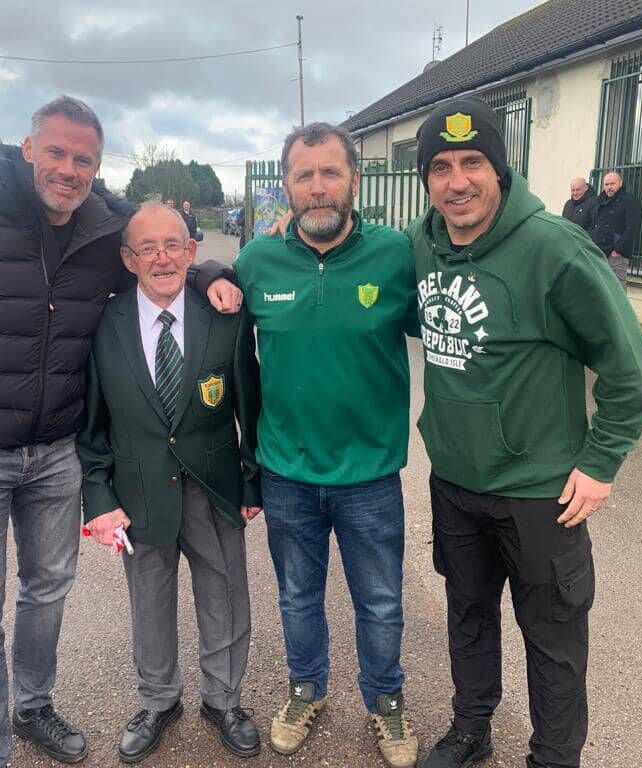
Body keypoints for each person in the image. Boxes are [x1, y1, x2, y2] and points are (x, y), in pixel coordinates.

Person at [0, 95, 240, 768]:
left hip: (53, 454)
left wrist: (214, 271)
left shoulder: (103, 223)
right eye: (58, 154)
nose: (69, 170)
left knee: (46, 592)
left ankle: (34, 707)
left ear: (96, 166)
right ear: (28, 149)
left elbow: (165, 244)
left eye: (84, 159)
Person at [408, 97, 642, 768]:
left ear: (499, 168)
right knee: (468, 617)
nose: (458, 181)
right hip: (456, 482)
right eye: (441, 167)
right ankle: (471, 729)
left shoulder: (555, 246)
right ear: (426, 178)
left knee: (552, 638)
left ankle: (553, 756)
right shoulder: (420, 246)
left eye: (473, 162)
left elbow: (630, 367)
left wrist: (602, 462)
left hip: (540, 494)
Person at [233, 123, 420, 768]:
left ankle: (386, 702)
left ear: (354, 182)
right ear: (285, 185)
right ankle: (306, 689)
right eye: (304, 175)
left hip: (370, 474)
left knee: (381, 600)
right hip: (286, 473)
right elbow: (220, 328)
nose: (317, 188)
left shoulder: (396, 255)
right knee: (296, 597)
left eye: (330, 173)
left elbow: (453, 327)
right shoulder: (258, 262)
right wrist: (207, 272)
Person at [78, 202, 262, 763]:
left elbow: (249, 405)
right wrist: (100, 498)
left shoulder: (226, 316)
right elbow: (91, 425)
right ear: (128, 259)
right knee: (150, 603)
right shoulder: (102, 325)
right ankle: (159, 700)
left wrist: (252, 483)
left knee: (225, 595)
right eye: (147, 248)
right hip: (138, 496)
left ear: (191, 251)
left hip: (214, 485)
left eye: (173, 245)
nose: (162, 257)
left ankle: (223, 699)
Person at [588, 171, 642, 288]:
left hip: (616, 255)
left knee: (617, 289)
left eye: (612, 184)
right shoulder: (599, 201)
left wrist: (617, 250)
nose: (609, 187)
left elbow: (632, 227)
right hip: (598, 252)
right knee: (600, 289)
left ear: (620, 183)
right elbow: (593, 225)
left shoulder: (629, 201)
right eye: (606, 184)